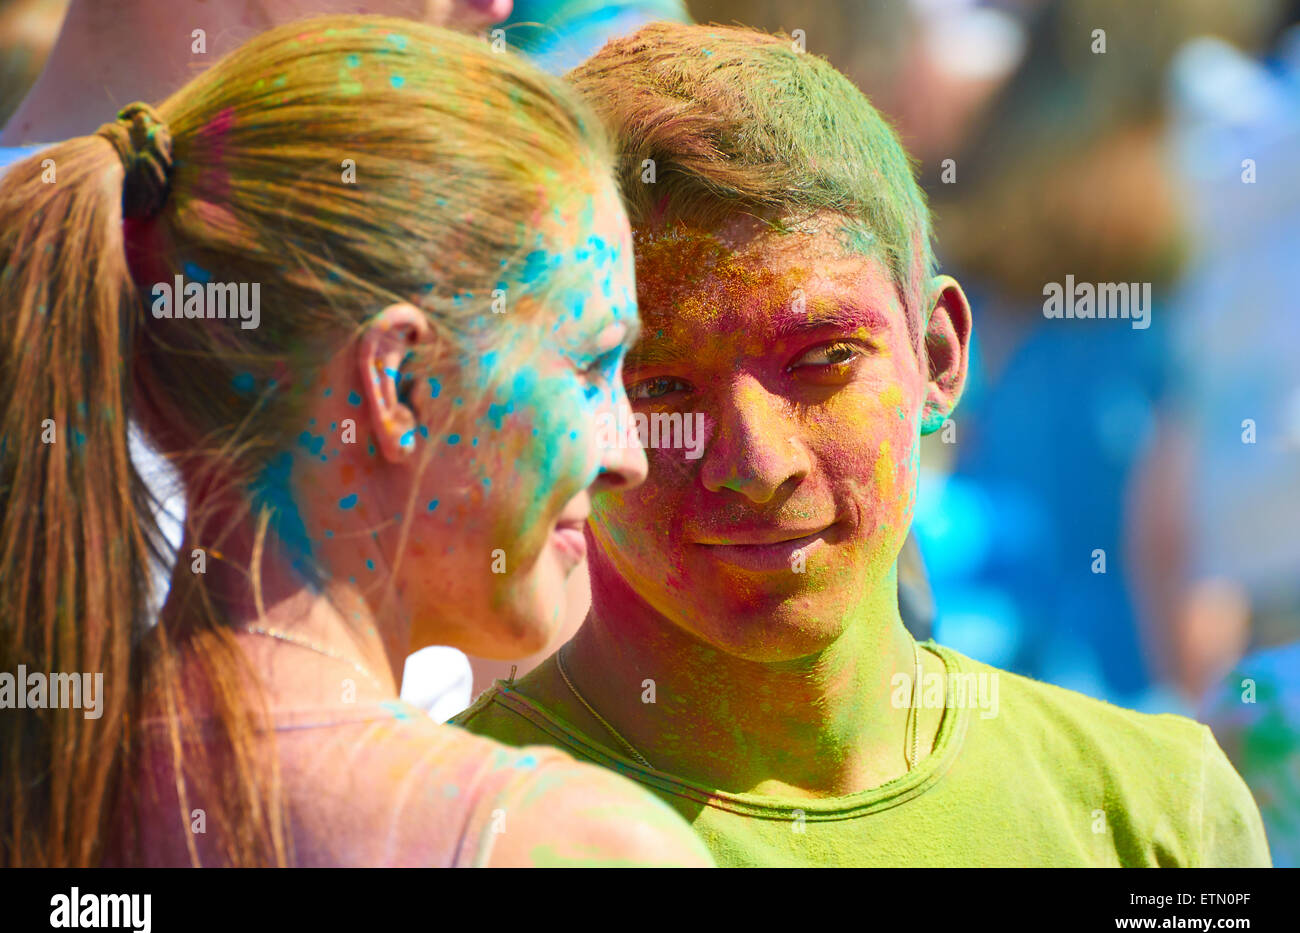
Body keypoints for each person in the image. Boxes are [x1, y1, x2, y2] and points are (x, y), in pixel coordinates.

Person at [452, 21, 1272, 867]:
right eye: (658, 386)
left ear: (940, 357)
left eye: (821, 361)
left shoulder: (1158, 811)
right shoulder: (443, 834)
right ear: (556, 407)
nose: (756, 466)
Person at [0, 14, 713, 867]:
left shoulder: (49, 773)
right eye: (592, 364)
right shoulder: (558, 840)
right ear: (400, 384)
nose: (628, 453)